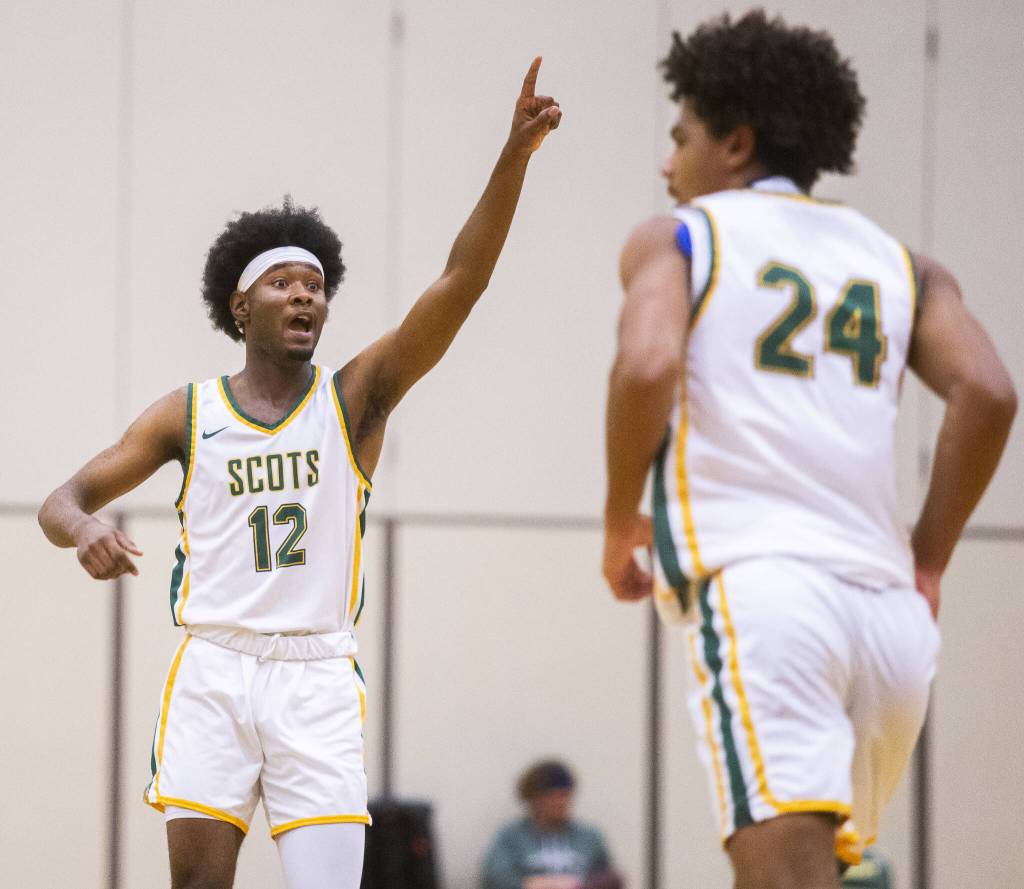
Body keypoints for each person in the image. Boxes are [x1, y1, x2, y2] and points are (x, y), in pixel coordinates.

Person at [38, 58, 561, 889]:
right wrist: (87, 528)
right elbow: (61, 499)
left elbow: (460, 283)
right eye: (283, 281)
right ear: (241, 306)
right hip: (213, 667)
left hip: (315, 675)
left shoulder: (357, 396)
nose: (305, 296)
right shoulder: (189, 412)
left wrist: (514, 156)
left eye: (316, 284)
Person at [602, 11, 1015, 889]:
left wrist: (615, 523)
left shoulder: (681, 234)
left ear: (735, 143)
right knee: (835, 872)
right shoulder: (905, 265)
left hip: (767, 597)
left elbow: (644, 363)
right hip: (892, 629)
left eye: (681, 138)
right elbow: (989, 393)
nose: (666, 163)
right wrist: (931, 558)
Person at [480, 761, 622, 889]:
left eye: (565, 796)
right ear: (534, 798)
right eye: (552, 796)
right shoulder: (511, 837)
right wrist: (534, 884)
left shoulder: (589, 837)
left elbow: (608, 877)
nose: (560, 802)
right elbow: (494, 877)